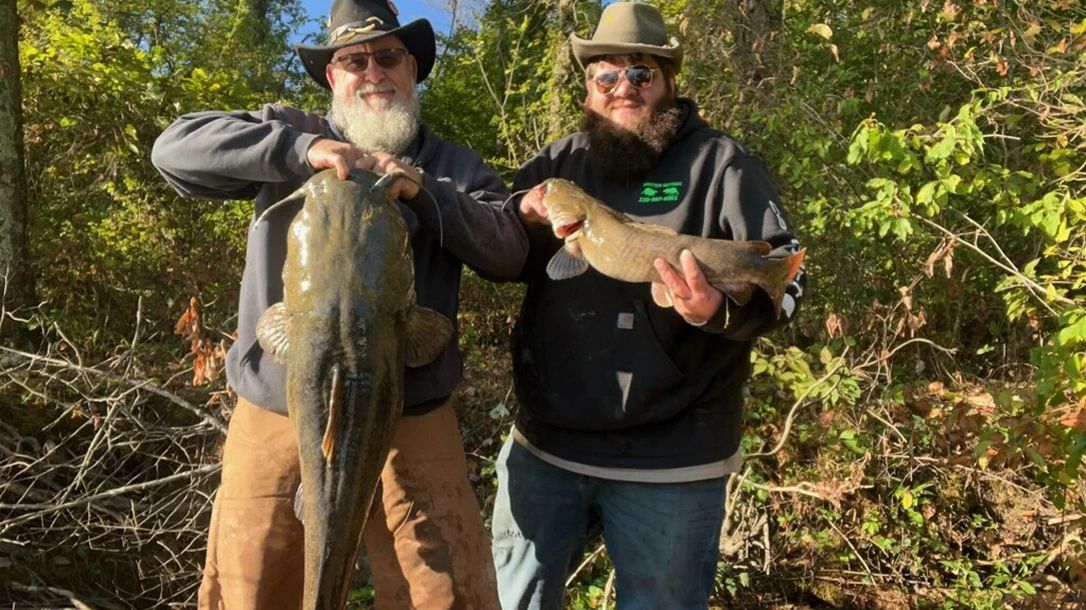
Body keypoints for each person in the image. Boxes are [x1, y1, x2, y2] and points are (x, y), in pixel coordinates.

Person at [151, 0, 528, 608]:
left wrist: (426, 192)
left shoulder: (453, 166)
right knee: (251, 589)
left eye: (389, 57)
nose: (373, 73)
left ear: (412, 69)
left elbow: (510, 250)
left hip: (415, 418)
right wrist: (300, 152)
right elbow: (173, 150)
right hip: (278, 414)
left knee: (446, 593)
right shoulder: (287, 131)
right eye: (354, 61)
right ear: (332, 76)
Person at [492, 3, 808, 609]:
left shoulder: (722, 164)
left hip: (673, 462)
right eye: (606, 75)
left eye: (640, 73)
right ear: (588, 88)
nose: (623, 88)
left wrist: (716, 311)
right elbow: (494, 244)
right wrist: (521, 217)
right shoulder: (557, 167)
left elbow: (789, 279)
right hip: (545, 448)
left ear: (668, 80)